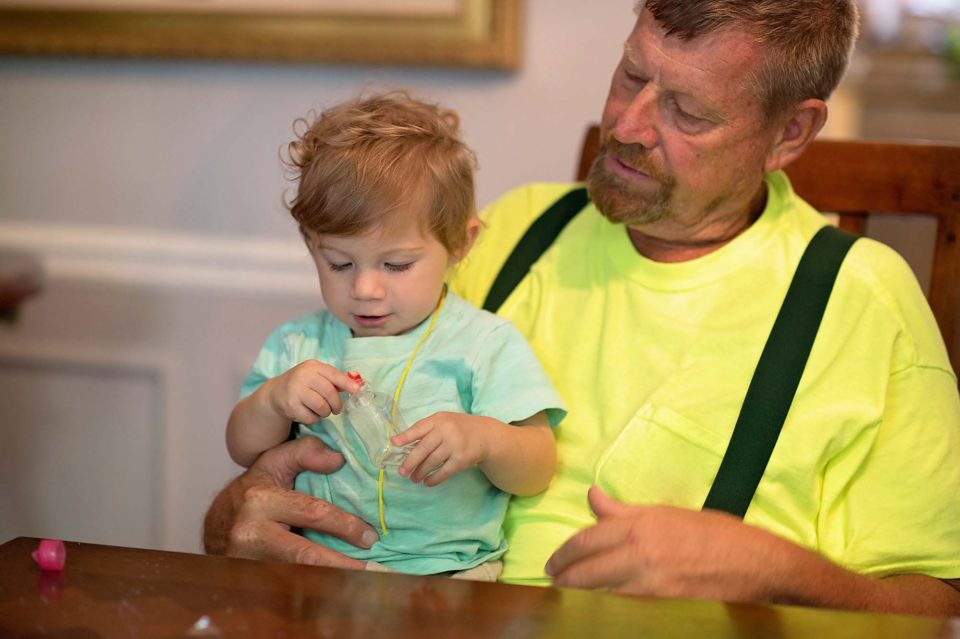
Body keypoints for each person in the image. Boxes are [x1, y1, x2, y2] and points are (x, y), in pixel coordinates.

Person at [204, 0, 960, 615]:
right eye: (630, 74)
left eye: (687, 113)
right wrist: (243, 509)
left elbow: (940, 608)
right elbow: (245, 509)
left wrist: (765, 568)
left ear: (790, 132)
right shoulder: (512, 232)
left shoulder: (861, 301)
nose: (627, 124)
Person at [224, 91, 563, 580]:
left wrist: (486, 439)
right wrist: (274, 400)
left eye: (396, 264)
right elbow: (241, 447)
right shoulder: (297, 344)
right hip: (320, 573)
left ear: (459, 244)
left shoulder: (483, 343)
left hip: (451, 574)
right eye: (338, 263)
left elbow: (538, 467)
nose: (364, 289)